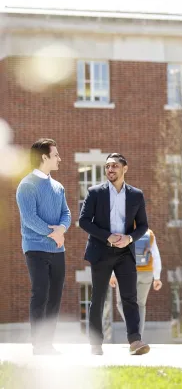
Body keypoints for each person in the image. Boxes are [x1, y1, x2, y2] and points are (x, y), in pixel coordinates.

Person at [79, 153, 149, 356]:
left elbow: (143, 225)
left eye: (115, 166)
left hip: (125, 253)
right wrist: (107, 236)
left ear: (124, 168)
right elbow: (84, 221)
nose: (110, 170)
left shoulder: (136, 195)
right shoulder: (95, 192)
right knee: (98, 298)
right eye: (107, 166)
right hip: (100, 251)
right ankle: (95, 344)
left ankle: (135, 341)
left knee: (130, 297)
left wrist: (130, 238)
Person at [16, 138, 71, 355]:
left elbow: (66, 213)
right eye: (56, 155)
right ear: (44, 157)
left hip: (58, 249)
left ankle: (47, 343)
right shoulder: (26, 185)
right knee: (40, 293)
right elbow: (30, 218)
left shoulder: (58, 187)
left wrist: (61, 230)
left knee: (55, 295)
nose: (59, 158)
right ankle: (38, 344)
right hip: (36, 248)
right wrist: (53, 233)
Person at [109, 229, 163, 337]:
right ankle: (138, 336)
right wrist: (157, 277)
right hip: (147, 273)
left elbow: (114, 255)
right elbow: (156, 255)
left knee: (121, 303)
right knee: (141, 305)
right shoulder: (149, 233)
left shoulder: (122, 232)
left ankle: (133, 327)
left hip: (127, 272)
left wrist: (113, 275)